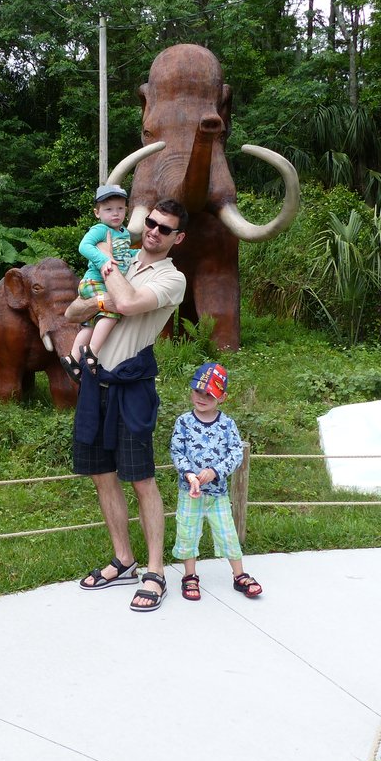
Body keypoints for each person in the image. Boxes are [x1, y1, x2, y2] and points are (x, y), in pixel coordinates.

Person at [66, 198, 188, 612]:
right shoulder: (121, 254)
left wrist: (106, 265)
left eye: (164, 228)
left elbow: (131, 304)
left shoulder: (172, 278)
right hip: (94, 382)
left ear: (177, 238)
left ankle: (155, 570)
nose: (153, 231)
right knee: (101, 474)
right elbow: (72, 310)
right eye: (150, 223)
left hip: (132, 385)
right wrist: (101, 298)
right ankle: (123, 557)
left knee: (141, 478)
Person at [170, 362, 263, 601]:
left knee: (227, 533)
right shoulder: (183, 422)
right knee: (188, 532)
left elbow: (235, 453)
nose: (202, 398)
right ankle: (190, 575)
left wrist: (215, 471)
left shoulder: (227, 424)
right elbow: (177, 451)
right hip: (190, 493)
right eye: (198, 392)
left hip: (218, 494)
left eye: (209, 394)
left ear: (222, 397)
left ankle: (239, 575)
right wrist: (189, 474)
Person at [60, 185, 134, 382]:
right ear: (97, 213)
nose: (115, 213)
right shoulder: (101, 229)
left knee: (90, 325)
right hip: (94, 281)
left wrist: (138, 256)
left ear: (126, 210)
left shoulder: (124, 233)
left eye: (120, 208)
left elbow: (125, 255)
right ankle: (91, 352)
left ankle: (73, 359)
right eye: (108, 209)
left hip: (102, 282)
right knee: (112, 310)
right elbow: (84, 246)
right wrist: (103, 260)